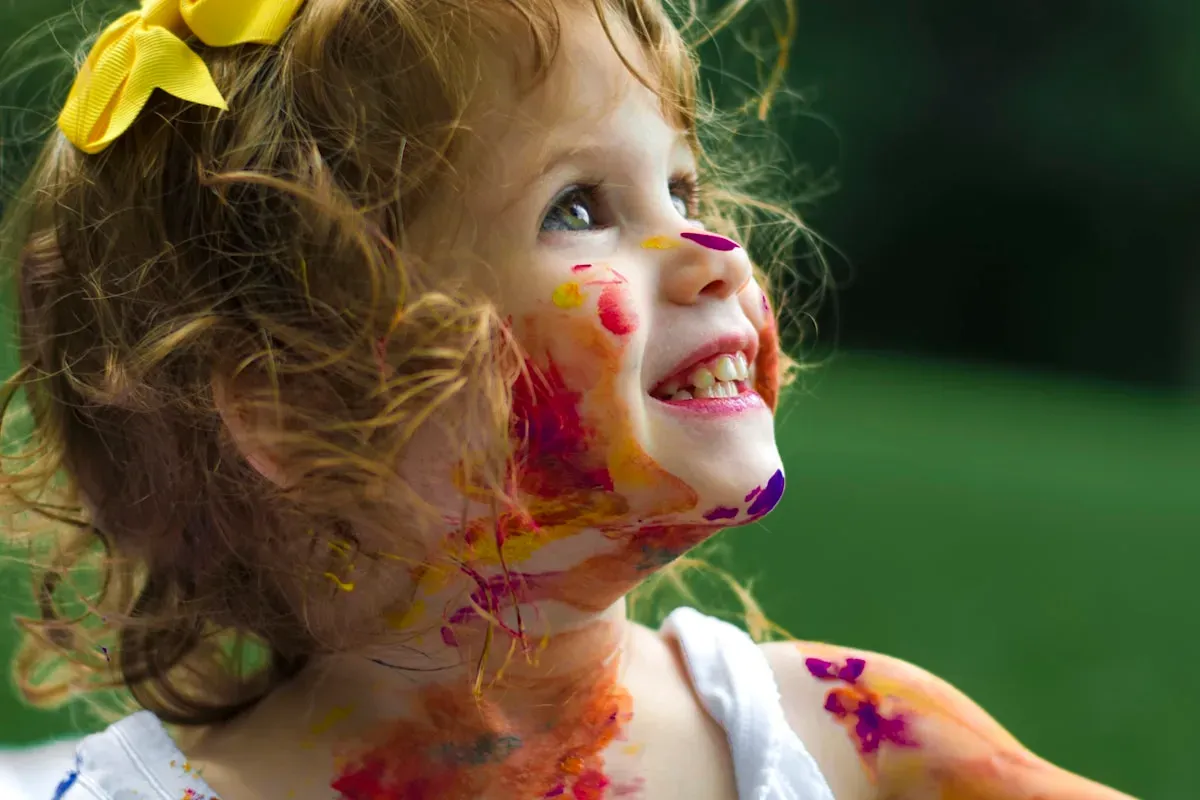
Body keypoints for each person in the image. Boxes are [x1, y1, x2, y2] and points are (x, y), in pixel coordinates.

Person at [0, 0, 1138, 798]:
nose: (708, 247)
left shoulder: (845, 739)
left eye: (682, 184)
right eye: (579, 206)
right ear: (296, 409)